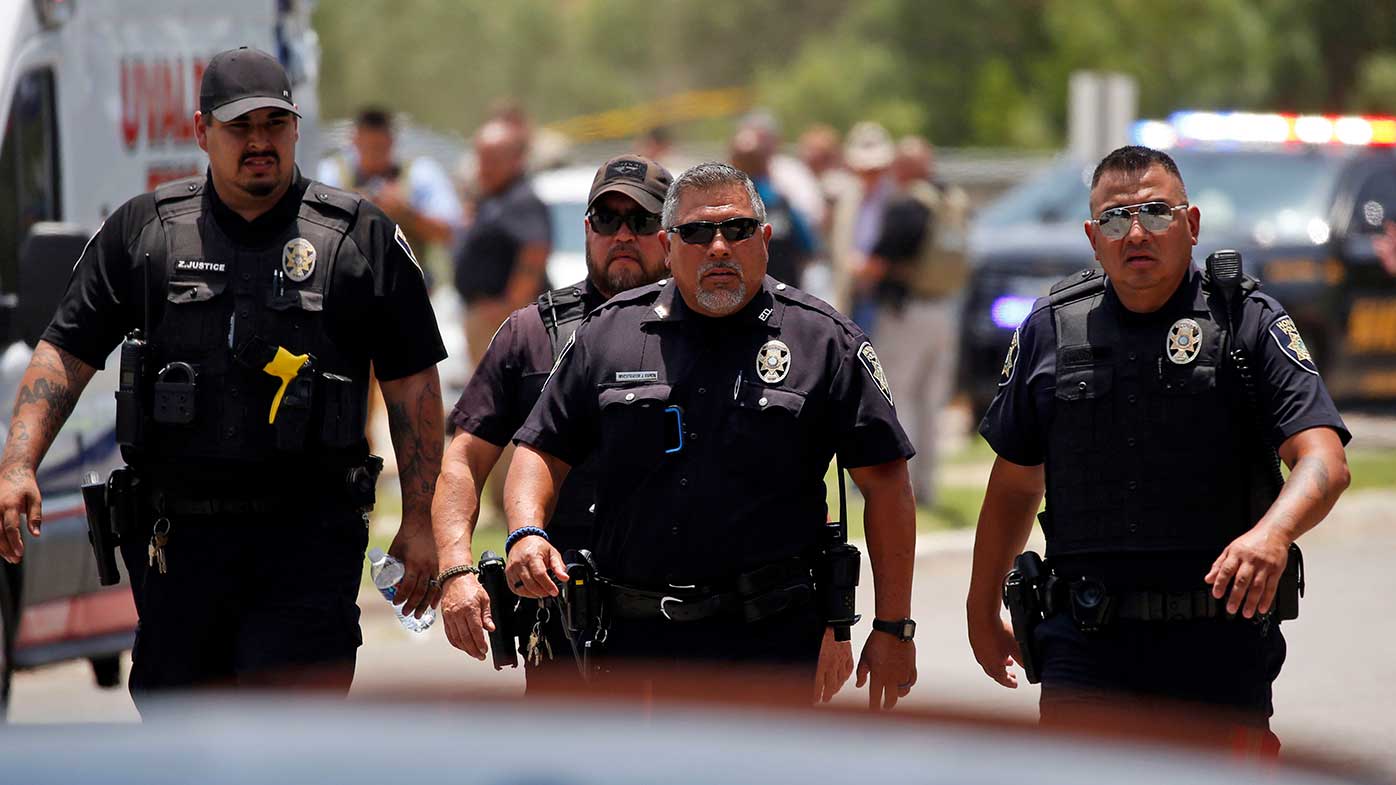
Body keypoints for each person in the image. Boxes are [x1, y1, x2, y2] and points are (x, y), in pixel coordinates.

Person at [0, 47, 446, 710]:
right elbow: (64, 351)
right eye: (241, 126)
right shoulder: (144, 233)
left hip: (307, 546)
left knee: (290, 748)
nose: (260, 141)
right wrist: (18, 463)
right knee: (181, 747)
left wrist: (421, 519)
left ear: (297, 128)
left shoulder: (361, 240)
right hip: (179, 552)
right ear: (203, 131)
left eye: (275, 123)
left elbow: (414, 385)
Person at [966, 146, 1351, 749]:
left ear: (1191, 225)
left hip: (1217, 647)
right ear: (1094, 238)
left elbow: (1323, 458)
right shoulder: (1051, 328)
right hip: (1084, 646)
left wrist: (1272, 534)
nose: (1137, 233)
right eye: (1116, 220)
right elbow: (1015, 484)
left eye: (1157, 213)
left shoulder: (1247, 319)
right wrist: (979, 605)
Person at [503, 162, 918, 708]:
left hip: (768, 645)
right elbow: (540, 449)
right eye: (696, 232)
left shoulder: (824, 341)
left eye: (737, 229)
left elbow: (886, 483)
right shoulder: (609, 335)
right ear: (667, 246)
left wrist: (892, 629)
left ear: (764, 240)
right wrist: (526, 531)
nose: (718, 246)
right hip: (632, 646)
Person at [432, 154, 674, 691]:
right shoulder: (532, 333)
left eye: (641, 221)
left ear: (670, 233)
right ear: (588, 230)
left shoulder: (707, 329)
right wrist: (454, 568)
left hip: (684, 611)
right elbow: (464, 458)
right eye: (607, 221)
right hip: (566, 607)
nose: (623, 235)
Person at [867, 136, 971, 509]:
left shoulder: (909, 205)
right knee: (932, 401)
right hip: (944, 309)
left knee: (899, 395)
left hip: (907, 310)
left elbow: (877, 262)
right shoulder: (953, 200)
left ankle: (904, 485)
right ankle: (928, 487)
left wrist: (854, 273)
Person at [454, 119, 552, 367]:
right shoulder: (492, 198)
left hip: (503, 322)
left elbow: (535, 252)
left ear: (515, 160)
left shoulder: (521, 200)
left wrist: (507, 309)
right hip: (487, 319)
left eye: (492, 160)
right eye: (481, 158)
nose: (484, 167)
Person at [317, 107, 463, 264]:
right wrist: (354, 208)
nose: (374, 153)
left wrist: (406, 213)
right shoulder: (331, 173)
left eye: (379, 146)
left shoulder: (421, 174)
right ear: (355, 140)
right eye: (368, 146)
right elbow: (314, 225)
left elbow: (449, 232)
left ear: (392, 141)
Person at [730, 125, 818, 288]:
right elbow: (808, 246)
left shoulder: (725, 201)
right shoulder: (777, 197)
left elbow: (806, 242)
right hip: (778, 289)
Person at [829, 121, 895, 334]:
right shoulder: (848, 197)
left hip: (886, 296)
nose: (869, 174)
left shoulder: (896, 199)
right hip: (852, 292)